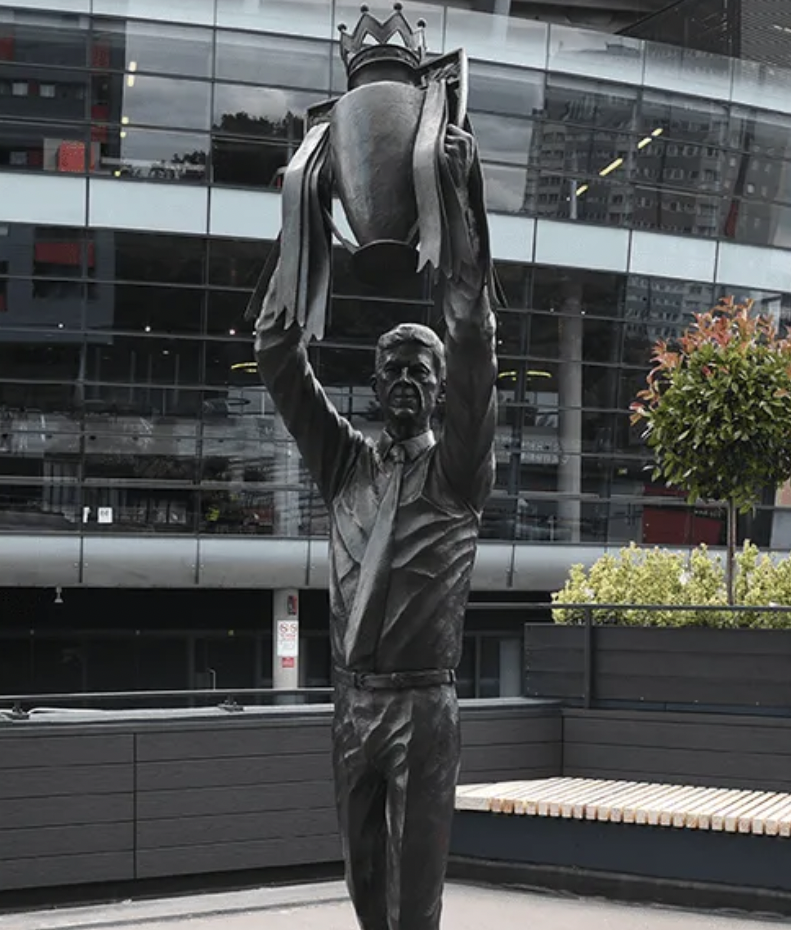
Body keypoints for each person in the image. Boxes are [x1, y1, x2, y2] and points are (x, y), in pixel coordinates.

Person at [252, 124, 497, 930]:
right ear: (373, 383)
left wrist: (457, 205)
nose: (403, 381)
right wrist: (303, 214)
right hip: (351, 707)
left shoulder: (458, 472)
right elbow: (277, 353)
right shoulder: (345, 465)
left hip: (423, 712)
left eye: (419, 372)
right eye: (390, 369)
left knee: (413, 906)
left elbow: (472, 335)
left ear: (438, 391)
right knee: (365, 895)